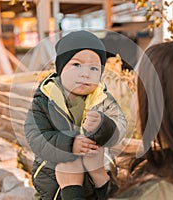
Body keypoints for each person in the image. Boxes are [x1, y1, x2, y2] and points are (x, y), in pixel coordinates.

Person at [55, 40, 173, 199]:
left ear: (159, 104)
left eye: (136, 89)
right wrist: (101, 177)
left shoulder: (160, 191)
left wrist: (71, 188)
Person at [25, 30, 127, 200]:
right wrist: (69, 144)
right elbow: (36, 137)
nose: (85, 73)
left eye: (94, 68)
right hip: (54, 187)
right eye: (76, 65)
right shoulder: (44, 100)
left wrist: (103, 125)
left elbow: (120, 127)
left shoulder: (103, 99)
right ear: (61, 68)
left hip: (96, 183)